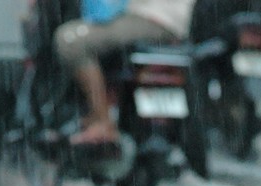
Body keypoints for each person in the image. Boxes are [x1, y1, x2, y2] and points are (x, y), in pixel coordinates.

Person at [54, 0, 195, 146]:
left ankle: (102, 122)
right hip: (147, 16)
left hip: (155, 18)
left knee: (70, 40)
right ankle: (94, 115)